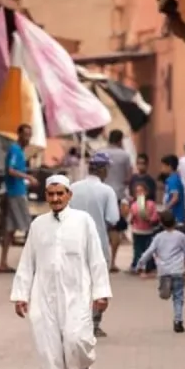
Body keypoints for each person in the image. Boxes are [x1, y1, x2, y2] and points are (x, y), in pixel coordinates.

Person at [11, 174, 112, 369]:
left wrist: (101, 292)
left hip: (76, 291)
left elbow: (96, 258)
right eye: (51, 194)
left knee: (77, 338)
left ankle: (84, 367)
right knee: (47, 341)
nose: (56, 198)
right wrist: (20, 295)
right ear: (46, 196)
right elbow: (27, 262)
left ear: (69, 195)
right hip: (43, 293)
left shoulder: (83, 221)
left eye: (60, 194)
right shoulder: (38, 225)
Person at [70, 152, 119, 337]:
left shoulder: (73, 188)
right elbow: (113, 218)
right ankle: (94, 324)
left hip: (74, 242)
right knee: (98, 285)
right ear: (103, 169)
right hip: (98, 243)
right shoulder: (107, 191)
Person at [135, 211, 185, 333]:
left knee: (165, 295)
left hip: (164, 271)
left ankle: (165, 291)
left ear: (161, 223)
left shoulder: (158, 237)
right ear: (175, 222)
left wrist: (140, 264)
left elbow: (149, 252)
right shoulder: (180, 236)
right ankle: (178, 321)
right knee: (178, 297)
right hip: (178, 271)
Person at [0, 125, 38, 273]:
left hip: (16, 191)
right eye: (26, 135)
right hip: (16, 192)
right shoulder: (15, 150)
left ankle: (3, 262)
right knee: (29, 226)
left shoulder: (20, 151)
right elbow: (11, 170)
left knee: (10, 229)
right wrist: (28, 177)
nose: (28, 138)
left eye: (30, 135)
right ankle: (32, 263)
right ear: (19, 135)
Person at [98, 129, 133, 273]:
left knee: (100, 227)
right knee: (115, 229)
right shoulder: (124, 155)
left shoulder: (100, 153)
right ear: (120, 140)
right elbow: (129, 176)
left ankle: (100, 262)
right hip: (117, 194)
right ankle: (112, 262)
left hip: (100, 193)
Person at [129, 181, 159, 278]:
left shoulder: (151, 204)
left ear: (146, 193)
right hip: (137, 231)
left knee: (148, 250)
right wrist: (132, 217)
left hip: (148, 231)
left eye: (141, 191)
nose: (139, 194)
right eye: (137, 192)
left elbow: (155, 216)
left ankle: (149, 267)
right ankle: (138, 266)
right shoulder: (134, 205)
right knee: (137, 250)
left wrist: (149, 218)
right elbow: (131, 219)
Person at [160, 154, 185, 226]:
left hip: (175, 217)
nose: (162, 169)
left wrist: (166, 209)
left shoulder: (172, 180)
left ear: (170, 166)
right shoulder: (176, 178)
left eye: (163, 166)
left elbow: (175, 197)